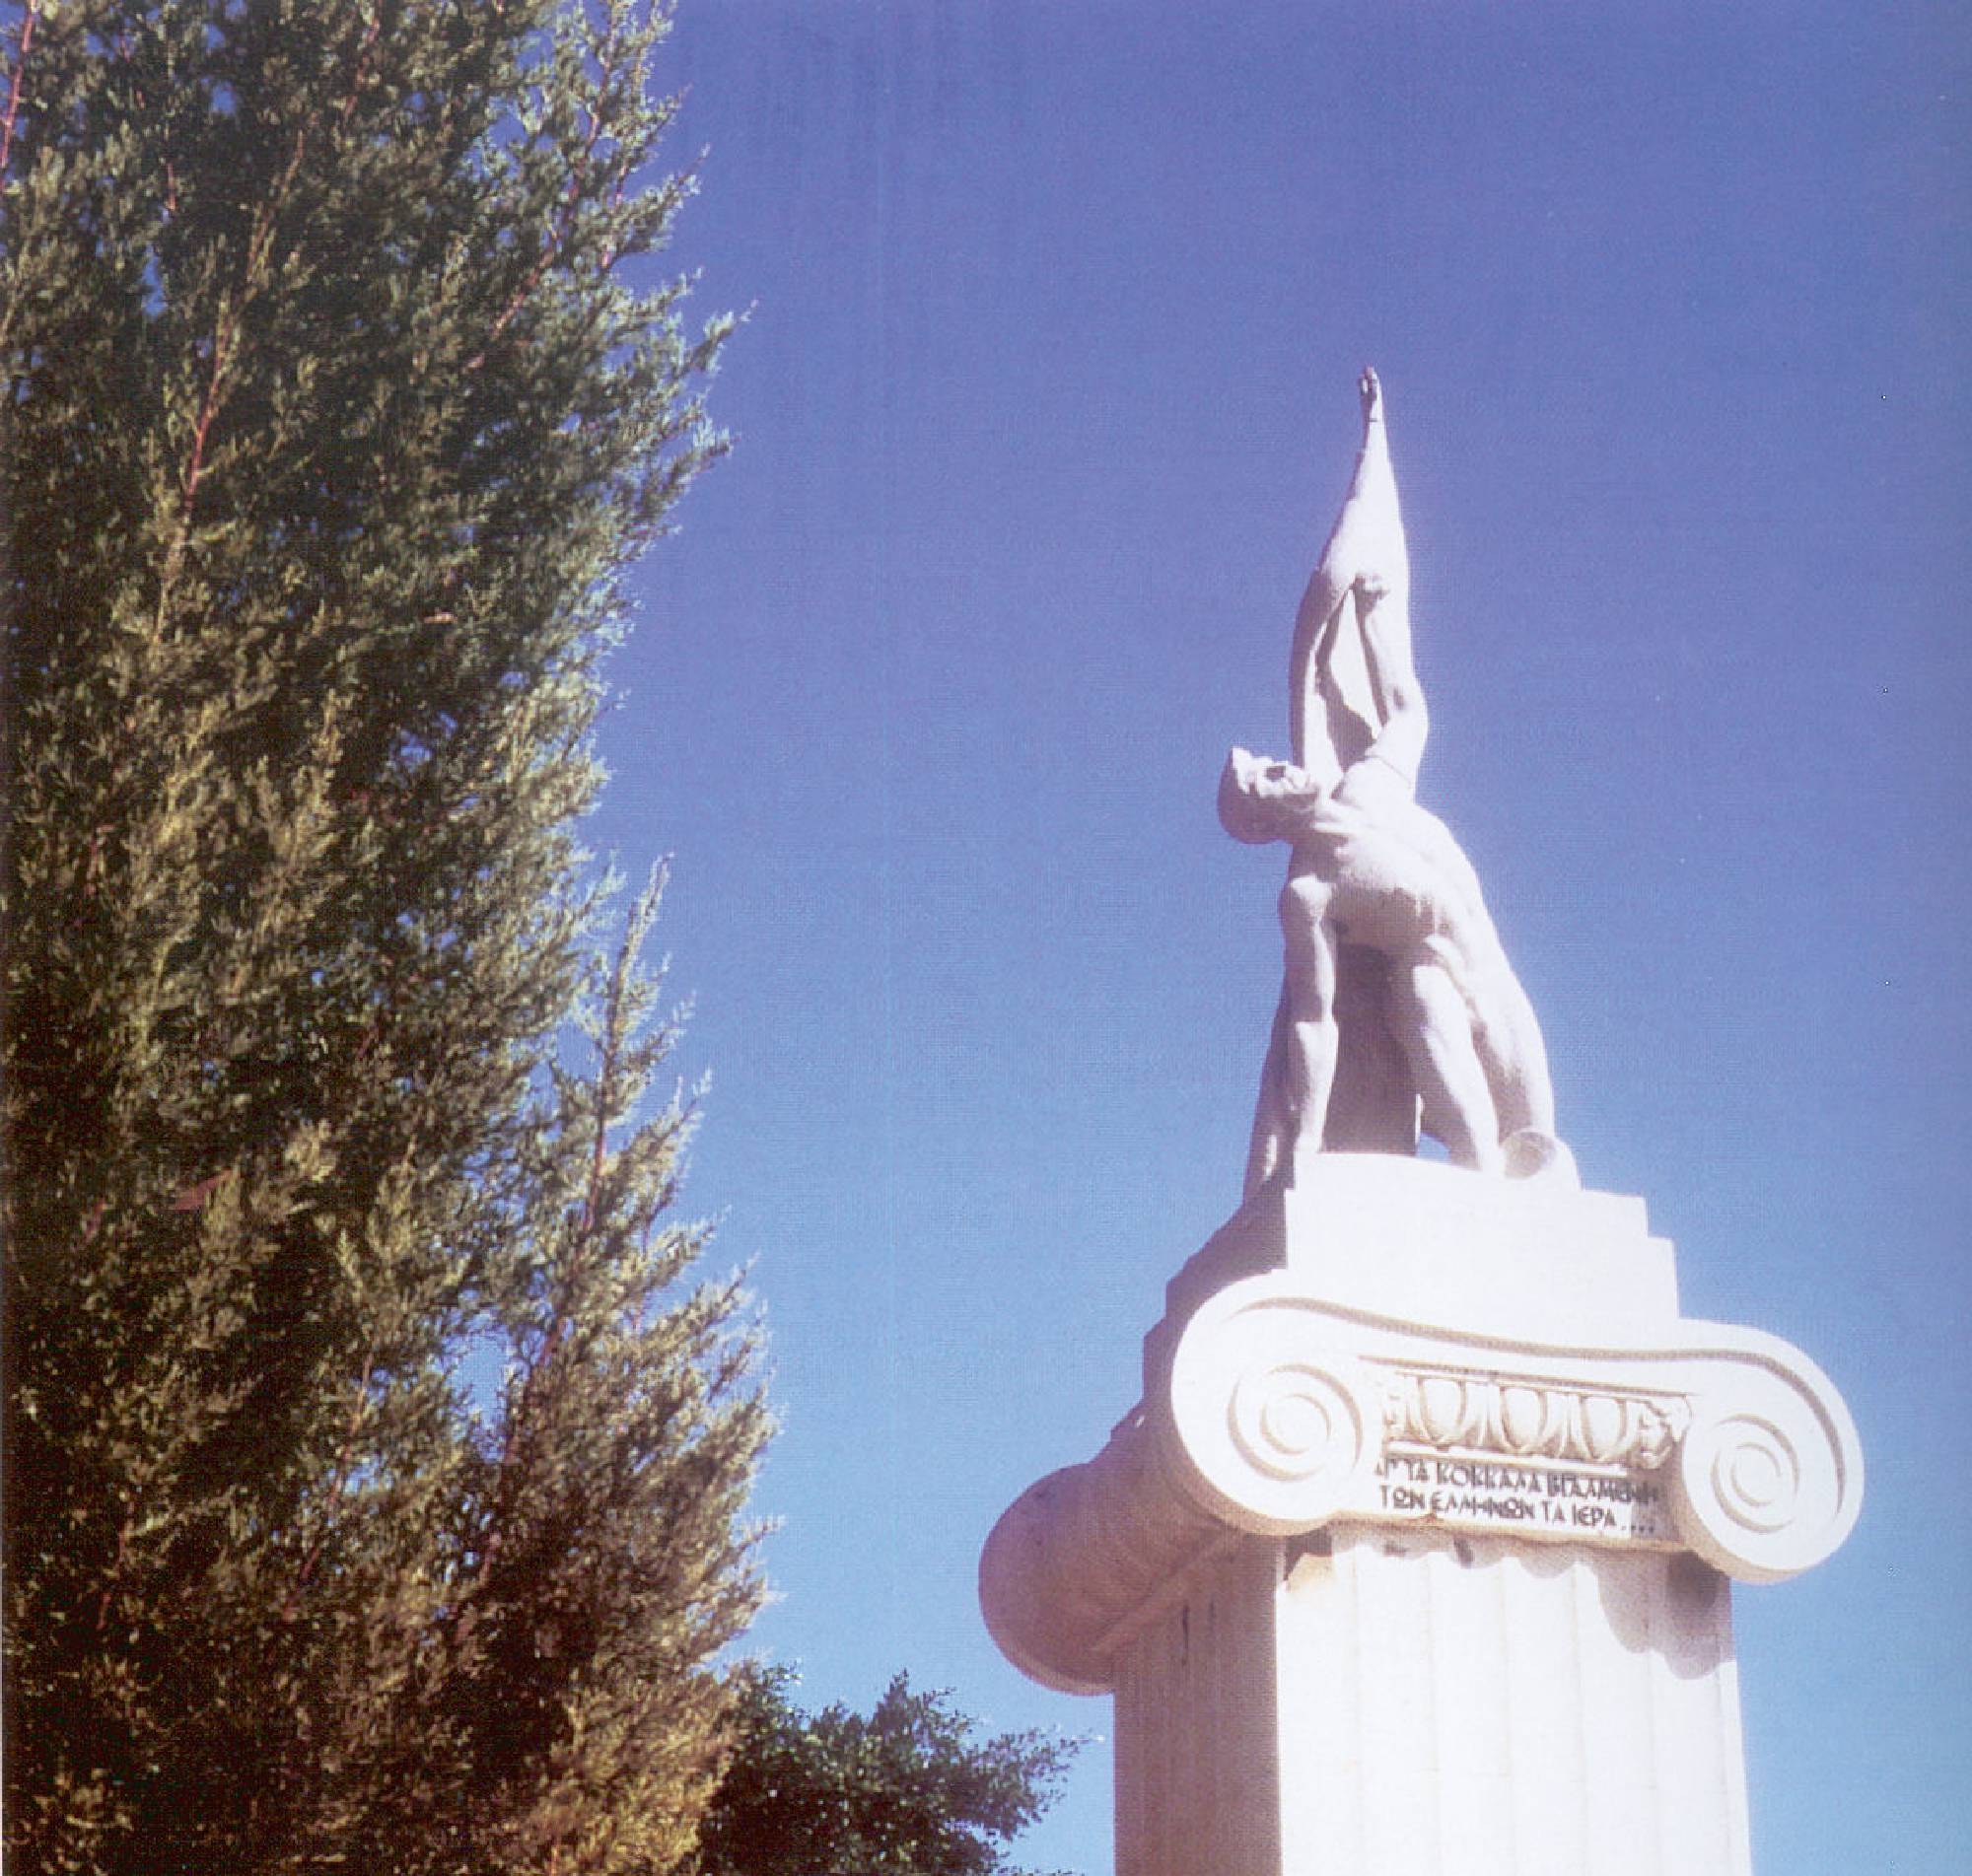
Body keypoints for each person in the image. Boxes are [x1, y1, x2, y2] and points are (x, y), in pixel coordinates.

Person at [1224, 370, 1564, 1193]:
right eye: (1263, 780)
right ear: (1265, 823)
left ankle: (1515, 1165)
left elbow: (1409, 711)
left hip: (1488, 966)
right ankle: (1480, 1175)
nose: (1278, 766)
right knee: (1425, 1010)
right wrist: (1303, 1148)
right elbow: (1314, 1022)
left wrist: (1375, 617)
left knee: (1534, 1122)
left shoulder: (1367, 787)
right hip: (1432, 972)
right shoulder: (1309, 892)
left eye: (1268, 761)